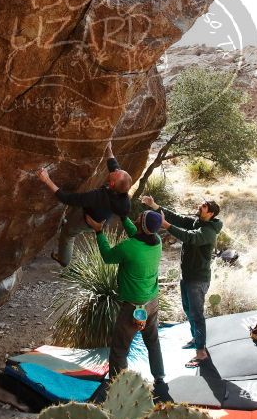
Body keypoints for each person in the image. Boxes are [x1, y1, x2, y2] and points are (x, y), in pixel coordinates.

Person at [83, 210, 165, 386]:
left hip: (133, 307)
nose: (136, 218)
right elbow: (138, 233)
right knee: (152, 340)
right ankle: (159, 377)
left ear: (142, 225)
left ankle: (118, 387)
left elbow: (107, 256)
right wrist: (123, 216)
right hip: (151, 301)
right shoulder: (157, 242)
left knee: (119, 349)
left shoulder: (129, 247)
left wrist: (99, 232)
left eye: (139, 217)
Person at [141, 196, 222, 368]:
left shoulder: (208, 231)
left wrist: (166, 226)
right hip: (187, 277)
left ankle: (201, 353)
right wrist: (153, 205)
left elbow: (189, 237)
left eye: (204, 206)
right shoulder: (196, 221)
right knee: (188, 309)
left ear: (211, 213)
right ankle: (196, 339)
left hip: (198, 280)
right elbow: (175, 217)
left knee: (197, 315)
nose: (200, 206)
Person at [37, 141, 132, 267]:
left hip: (88, 220)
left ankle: (63, 260)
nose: (116, 170)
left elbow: (67, 199)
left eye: (115, 173)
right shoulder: (123, 195)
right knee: (75, 216)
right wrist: (109, 148)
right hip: (99, 217)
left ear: (112, 184)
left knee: (68, 234)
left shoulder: (97, 196)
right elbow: (114, 166)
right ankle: (70, 223)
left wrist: (46, 179)